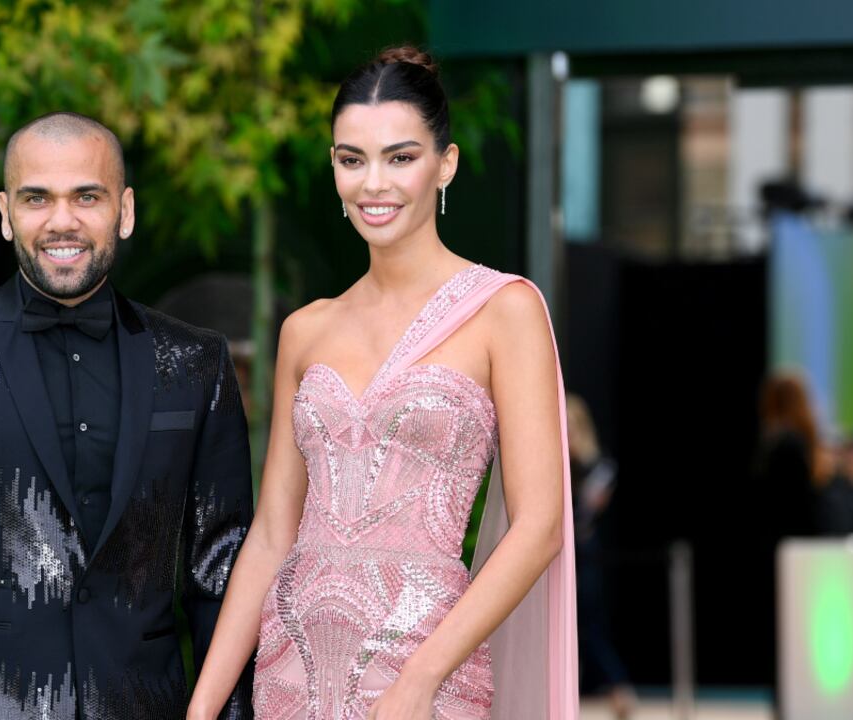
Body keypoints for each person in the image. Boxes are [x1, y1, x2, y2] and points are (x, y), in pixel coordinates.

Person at [186, 47, 578, 720]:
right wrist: (203, 707)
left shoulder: (503, 311)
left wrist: (421, 679)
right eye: (352, 159)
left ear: (445, 165)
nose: (374, 183)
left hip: (427, 673)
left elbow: (539, 526)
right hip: (294, 673)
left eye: (400, 158)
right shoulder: (306, 330)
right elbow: (274, 533)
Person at [0, 112, 255, 718]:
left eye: (87, 197)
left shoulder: (196, 363)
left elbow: (223, 579)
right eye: (37, 198)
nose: (62, 220)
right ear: (5, 214)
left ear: (125, 211)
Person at [567, 394, 634, 719]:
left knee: (589, 624)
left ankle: (618, 687)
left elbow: (587, 511)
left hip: (584, 552)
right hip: (562, 550)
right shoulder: (556, 461)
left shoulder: (597, 466)